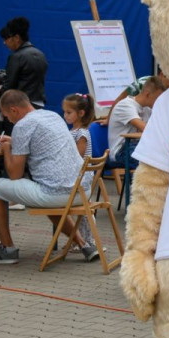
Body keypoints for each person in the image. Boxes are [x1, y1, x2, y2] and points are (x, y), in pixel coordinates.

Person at [0, 90, 90, 264]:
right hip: (81, 190)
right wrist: (15, 140)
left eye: (8, 116)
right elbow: (44, 142)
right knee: (51, 195)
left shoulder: (22, 125)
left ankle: (8, 249)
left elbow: (15, 175)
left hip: (54, 194)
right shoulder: (52, 116)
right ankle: (84, 245)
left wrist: (7, 149)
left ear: (14, 110)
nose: (9, 120)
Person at [62, 92, 100, 260]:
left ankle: (88, 241)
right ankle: (80, 240)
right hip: (78, 176)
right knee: (81, 211)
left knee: (82, 210)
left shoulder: (82, 133)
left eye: (69, 112)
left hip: (81, 176)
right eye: (64, 112)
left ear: (81, 113)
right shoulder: (73, 131)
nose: (65, 115)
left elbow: (79, 156)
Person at [108, 75, 166, 171]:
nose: (159, 102)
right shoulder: (125, 105)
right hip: (121, 151)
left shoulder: (147, 108)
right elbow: (147, 129)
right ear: (147, 94)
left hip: (137, 147)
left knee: (164, 159)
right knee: (155, 163)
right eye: (157, 99)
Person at [0, 16, 48, 110]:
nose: (4, 43)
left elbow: (10, 85)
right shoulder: (40, 54)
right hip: (39, 103)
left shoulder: (16, 56)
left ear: (16, 38)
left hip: (21, 105)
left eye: (6, 39)